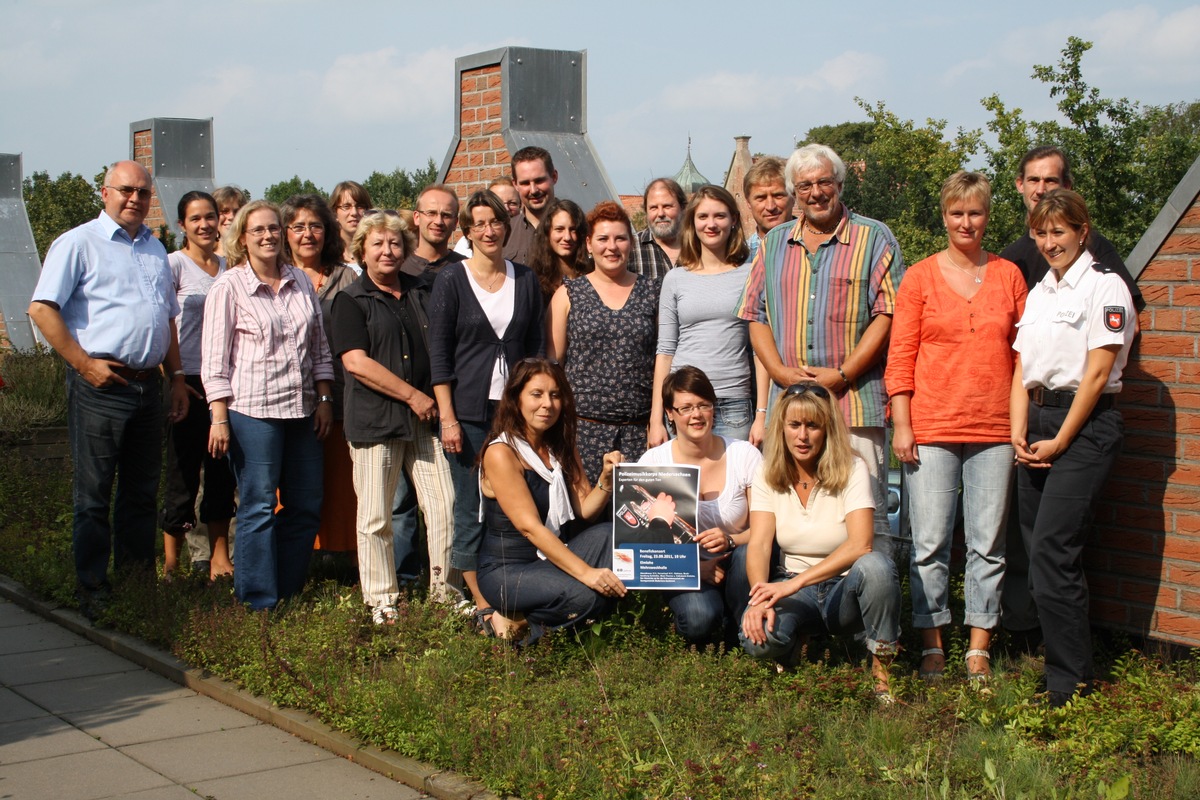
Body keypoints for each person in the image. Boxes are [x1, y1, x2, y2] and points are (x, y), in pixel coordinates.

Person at [28, 160, 189, 619]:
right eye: (125, 190)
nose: (135, 199)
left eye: (143, 192)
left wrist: (176, 377)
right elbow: (42, 310)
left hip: (147, 386)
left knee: (141, 493)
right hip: (101, 384)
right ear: (105, 192)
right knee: (94, 494)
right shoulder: (79, 243)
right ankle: (93, 589)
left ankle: (136, 588)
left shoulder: (155, 249)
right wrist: (83, 365)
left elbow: (167, 318)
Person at [885, 172, 1028, 681]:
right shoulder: (920, 277)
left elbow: (1022, 358)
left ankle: (979, 646)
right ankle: (932, 642)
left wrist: (1017, 427)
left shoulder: (1010, 276)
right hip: (931, 425)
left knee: (988, 543)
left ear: (988, 215)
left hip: (993, 428)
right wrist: (902, 424)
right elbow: (899, 357)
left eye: (976, 212)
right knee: (930, 543)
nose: (967, 222)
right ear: (943, 216)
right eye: (957, 213)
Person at [999, 145, 1143, 646]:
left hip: (1080, 428)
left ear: (1083, 232)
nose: (1048, 242)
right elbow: (1023, 367)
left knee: (1054, 552)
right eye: (1041, 233)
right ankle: (1052, 659)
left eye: (1058, 232)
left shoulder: (1105, 287)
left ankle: (1070, 681)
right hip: (1036, 426)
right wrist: (1019, 429)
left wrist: (1060, 440)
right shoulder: (1041, 292)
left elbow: (1099, 373)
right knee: (1039, 551)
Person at [735, 144, 904, 556]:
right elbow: (755, 314)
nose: (815, 192)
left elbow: (887, 315)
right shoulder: (775, 243)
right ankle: (801, 606)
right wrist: (777, 371)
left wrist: (844, 374)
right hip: (790, 405)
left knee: (868, 518)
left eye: (824, 182)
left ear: (840, 184)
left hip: (854, 402)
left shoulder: (873, 237)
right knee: (795, 512)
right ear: (795, 191)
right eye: (805, 185)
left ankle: (869, 614)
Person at [202, 200, 334, 610]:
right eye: (258, 230)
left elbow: (320, 347)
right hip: (252, 413)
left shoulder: (298, 279)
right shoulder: (228, 287)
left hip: (302, 409)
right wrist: (219, 418)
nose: (268, 236)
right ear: (242, 237)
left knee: (306, 504)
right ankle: (258, 599)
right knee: (258, 505)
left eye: (274, 228)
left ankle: (287, 591)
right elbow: (214, 361)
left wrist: (325, 397)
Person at [734, 383, 900, 700]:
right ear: (781, 428)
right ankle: (793, 642)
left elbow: (861, 545)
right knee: (756, 639)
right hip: (792, 584)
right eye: (794, 425)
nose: (803, 436)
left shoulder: (853, 468)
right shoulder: (767, 471)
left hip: (844, 590)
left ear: (827, 429)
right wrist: (758, 600)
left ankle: (882, 677)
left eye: (813, 425)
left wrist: (791, 587)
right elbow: (759, 544)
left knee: (877, 566)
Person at [332, 211, 455, 620]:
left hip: (426, 422)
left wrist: (431, 402)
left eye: (395, 243)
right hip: (376, 422)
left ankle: (446, 594)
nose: (388, 251)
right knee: (376, 516)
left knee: (445, 507)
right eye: (378, 244)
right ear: (362, 250)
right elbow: (356, 362)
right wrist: (413, 397)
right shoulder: (351, 300)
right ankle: (382, 601)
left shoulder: (424, 290)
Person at [430, 190, 545, 617]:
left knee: (517, 501)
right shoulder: (451, 279)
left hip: (515, 415)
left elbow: (534, 347)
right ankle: (479, 599)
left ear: (505, 224)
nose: (488, 230)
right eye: (478, 223)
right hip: (469, 413)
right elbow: (439, 353)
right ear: (467, 232)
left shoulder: (526, 278)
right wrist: (448, 417)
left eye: (494, 221)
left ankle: (516, 587)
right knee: (471, 504)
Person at [476, 358, 626, 640]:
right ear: (516, 398)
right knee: (587, 597)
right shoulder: (501, 452)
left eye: (555, 395)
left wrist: (606, 479)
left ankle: (524, 618)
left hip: (547, 559)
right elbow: (529, 527)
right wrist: (587, 573)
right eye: (537, 394)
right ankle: (515, 624)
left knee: (609, 533)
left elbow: (585, 510)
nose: (547, 403)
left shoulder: (559, 445)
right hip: (506, 571)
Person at [639, 367, 762, 647]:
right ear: (669, 413)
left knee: (745, 555)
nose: (696, 415)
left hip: (740, 566)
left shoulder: (744, 454)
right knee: (697, 619)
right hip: (682, 569)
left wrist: (732, 538)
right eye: (686, 408)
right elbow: (643, 546)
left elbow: (767, 527)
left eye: (703, 405)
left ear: (713, 407)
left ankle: (740, 635)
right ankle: (702, 630)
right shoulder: (654, 462)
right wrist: (695, 568)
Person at [547, 201, 658, 483]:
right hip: (583, 431)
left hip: (639, 433)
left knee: (639, 521)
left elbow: (663, 359)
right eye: (603, 239)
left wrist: (656, 421)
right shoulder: (569, 293)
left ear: (631, 243)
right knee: (585, 519)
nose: (612, 247)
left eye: (620, 238)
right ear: (588, 244)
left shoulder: (652, 291)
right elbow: (552, 364)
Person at [649, 185, 766, 446]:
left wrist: (762, 415)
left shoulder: (751, 275)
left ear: (733, 220)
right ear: (692, 222)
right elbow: (665, 350)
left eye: (719, 216)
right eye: (703, 217)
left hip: (733, 401)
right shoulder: (676, 278)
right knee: (684, 486)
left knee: (732, 485)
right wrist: (656, 418)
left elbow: (760, 350)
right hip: (683, 402)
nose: (711, 224)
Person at [159, 190, 235, 580]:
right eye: (195, 219)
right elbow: (163, 323)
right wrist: (172, 377)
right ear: (182, 226)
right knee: (182, 472)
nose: (205, 225)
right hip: (184, 380)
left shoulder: (230, 267)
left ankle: (219, 558)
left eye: (210, 217)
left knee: (221, 473)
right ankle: (173, 563)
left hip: (222, 381)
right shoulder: (173, 266)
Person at [281, 195, 358, 557]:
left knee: (341, 481)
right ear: (285, 233)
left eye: (315, 226)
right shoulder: (276, 275)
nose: (307, 234)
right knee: (298, 481)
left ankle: (343, 554)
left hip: (341, 393)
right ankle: (301, 552)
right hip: (290, 395)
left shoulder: (346, 276)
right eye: (298, 227)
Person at [528, 198, 591, 305]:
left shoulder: (593, 275)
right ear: (547, 233)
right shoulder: (533, 281)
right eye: (559, 229)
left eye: (573, 229)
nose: (567, 237)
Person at [402, 184, 466, 288]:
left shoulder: (466, 269)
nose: (438, 221)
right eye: (431, 213)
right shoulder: (399, 268)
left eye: (446, 215)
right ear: (417, 217)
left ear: (455, 222)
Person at [504, 146, 559, 266]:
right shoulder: (504, 233)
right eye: (525, 183)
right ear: (515, 185)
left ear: (554, 177)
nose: (533, 190)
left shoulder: (576, 227)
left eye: (539, 181)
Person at [629, 177, 684, 281]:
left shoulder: (699, 247)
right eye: (653, 208)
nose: (661, 214)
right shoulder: (630, 248)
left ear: (683, 208)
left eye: (667, 206)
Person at [743, 157, 795, 263]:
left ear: (793, 197)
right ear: (748, 202)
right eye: (761, 198)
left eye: (778, 196)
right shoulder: (741, 258)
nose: (770, 206)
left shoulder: (814, 247)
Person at [453, 177, 520, 257]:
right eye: (498, 203)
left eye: (512, 203)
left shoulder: (528, 237)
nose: (506, 209)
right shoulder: (464, 245)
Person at [329, 180, 371, 265]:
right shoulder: (327, 257)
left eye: (360, 206)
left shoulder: (377, 254)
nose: (354, 213)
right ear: (334, 212)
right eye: (346, 206)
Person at [212, 185, 249, 259]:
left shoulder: (252, 257)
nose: (231, 217)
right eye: (224, 211)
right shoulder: (205, 259)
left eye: (236, 211)